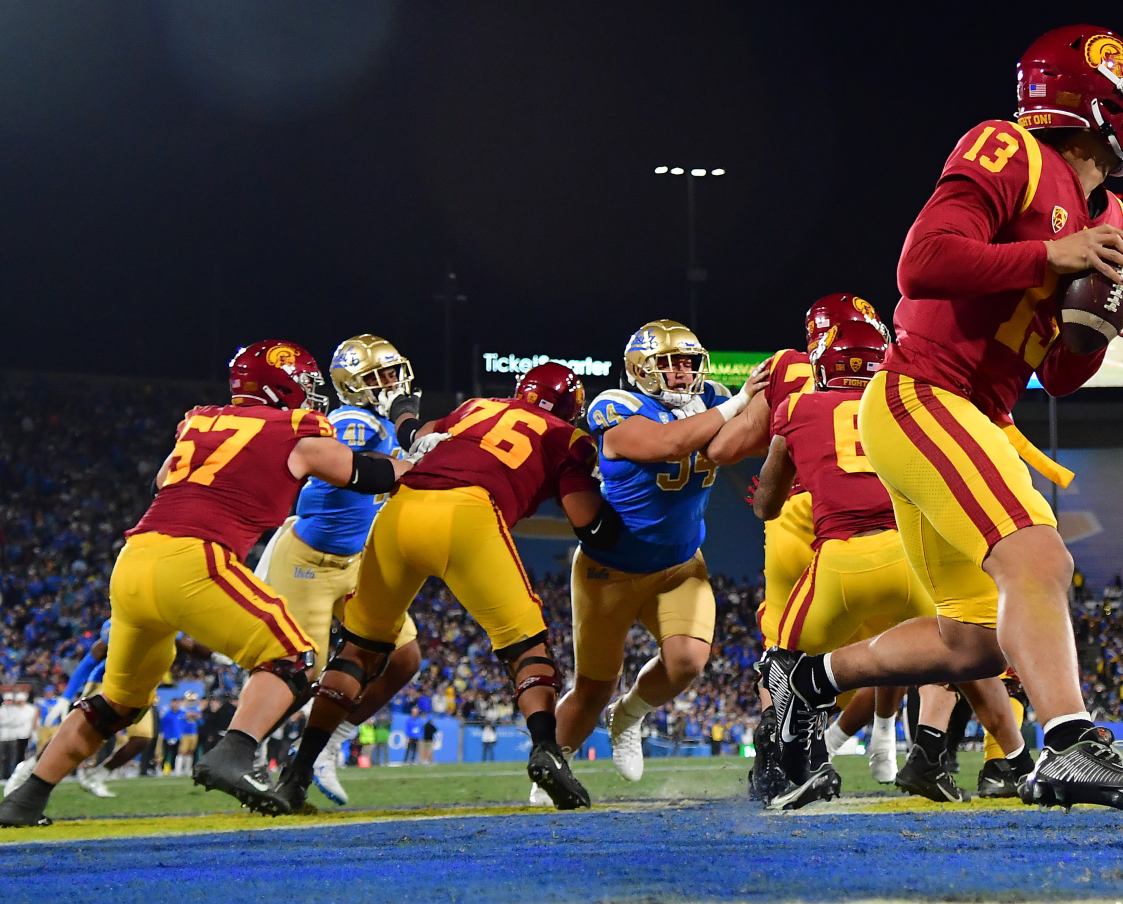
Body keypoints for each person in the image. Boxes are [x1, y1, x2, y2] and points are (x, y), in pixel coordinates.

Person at [758, 25, 1123, 824]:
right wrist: (1052, 259)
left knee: (975, 644)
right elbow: (922, 263)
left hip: (977, 411)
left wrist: (1100, 328)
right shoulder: (1009, 149)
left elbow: (1058, 374)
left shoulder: (1112, 211)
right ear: (1103, 97)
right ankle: (1066, 740)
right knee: (1039, 556)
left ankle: (805, 684)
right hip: (922, 389)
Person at [0, 341, 412, 827]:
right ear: (285, 385)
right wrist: (426, 466)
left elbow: (160, 483)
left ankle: (25, 799)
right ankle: (234, 754)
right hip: (195, 559)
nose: (311, 396)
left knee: (117, 703)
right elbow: (364, 474)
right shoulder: (294, 428)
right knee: (294, 656)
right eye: (306, 385)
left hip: (134, 562)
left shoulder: (198, 422)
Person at [270, 362, 611, 813]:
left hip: (400, 509)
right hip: (467, 514)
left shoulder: (477, 406)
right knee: (525, 645)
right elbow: (588, 522)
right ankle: (546, 751)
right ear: (573, 408)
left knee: (357, 650)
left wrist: (405, 416)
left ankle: (296, 774)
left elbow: (421, 434)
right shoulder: (570, 438)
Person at [750, 321, 1019, 809]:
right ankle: (997, 757)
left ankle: (795, 771)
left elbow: (767, 502)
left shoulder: (794, 408)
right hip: (908, 559)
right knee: (959, 650)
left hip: (837, 564)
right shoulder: (911, 402)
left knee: (782, 664)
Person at [545, 321, 764, 803]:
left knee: (688, 661)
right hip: (610, 571)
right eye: (669, 363)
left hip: (680, 564)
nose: (683, 372)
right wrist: (737, 404)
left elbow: (746, 438)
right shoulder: (615, 406)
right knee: (591, 690)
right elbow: (668, 445)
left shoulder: (713, 397)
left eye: (689, 362)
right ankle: (552, 765)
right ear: (640, 369)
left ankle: (629, 714)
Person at [708, 294, 902, 797]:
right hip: (885, 518)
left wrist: (788, 438)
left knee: (786, 648)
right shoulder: (897, 373)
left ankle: (780, 760)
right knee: (912, 638)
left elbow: (724, 449)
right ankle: (898, 741)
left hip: (797, 513)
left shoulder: (787, 369)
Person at [256, 334, 427, 805]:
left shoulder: (382, 422)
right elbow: (352, 468)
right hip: (310, 562)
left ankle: (328, 743)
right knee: (299, 672)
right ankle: (245, 748)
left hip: (358, 563)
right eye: (380, 377)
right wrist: (408, 453)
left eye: (395, 373)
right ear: (353, 386)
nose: (392, 384)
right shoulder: (351, 419)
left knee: (405, 658)